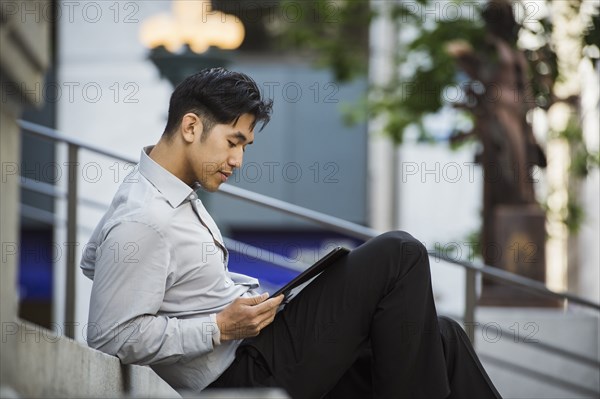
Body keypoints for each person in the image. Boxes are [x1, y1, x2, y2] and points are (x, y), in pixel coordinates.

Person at [81, 68, 502, 398]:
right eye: (233, 142)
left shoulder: (157, 196)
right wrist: (219, 327)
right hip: (242, 371)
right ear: (190, 127)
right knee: (400, 253)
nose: (238, 160)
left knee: (442, 337)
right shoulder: (143, 217)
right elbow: (110, 334)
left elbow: (92, 260)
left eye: (244, 146)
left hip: (259, 349)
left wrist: (237, 305)